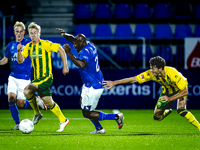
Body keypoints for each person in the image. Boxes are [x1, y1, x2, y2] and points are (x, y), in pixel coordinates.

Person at [103, 56, 200, 131]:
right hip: (166, 90)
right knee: (156, 117)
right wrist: (114, 83)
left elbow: (185, 91)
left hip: (180, 89)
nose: (151, 70)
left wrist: (170, 99)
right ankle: (168, 110)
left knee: (181, 110)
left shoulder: (173, 73)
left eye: (153, 68)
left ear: (161, 68)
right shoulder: (151, 74)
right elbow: (133, 79)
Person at [57, 28, 124, 134]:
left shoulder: (86, 51)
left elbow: (82, 64)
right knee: (84, 107)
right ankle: (99, 129)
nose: (74, 45)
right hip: (90, 83)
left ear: (81, 43)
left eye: (76, 44)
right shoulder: (88, 44)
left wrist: (69, 53)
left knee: (87, 113)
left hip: (94, 85)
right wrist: (65, 34)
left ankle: (116, 117)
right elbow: (74, 39)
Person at [17, 22, 69, 132]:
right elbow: (20, 60)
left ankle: (37, 112)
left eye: (35, 33)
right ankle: (63, 120)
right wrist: (18, 51)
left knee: (27, 90)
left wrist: (65, 66)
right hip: (37, 78)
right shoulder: (29, 46)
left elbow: (61, 49)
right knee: (49, 103)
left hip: (46, 77)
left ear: (39, 33)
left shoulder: (45, 44)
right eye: (31, 33)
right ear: (29, 35)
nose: (33, 35)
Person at [0, 21, 47, 130]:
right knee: (11, 98)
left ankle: (35, 98)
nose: (19, 34)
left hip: (24, 78)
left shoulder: (29, 44)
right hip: (13, 76)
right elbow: (5, 60)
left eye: (21, 31)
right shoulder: (10, 45)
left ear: (24, 32)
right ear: (14, 32)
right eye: (17, 31)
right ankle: (17, 124)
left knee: (20, 104)